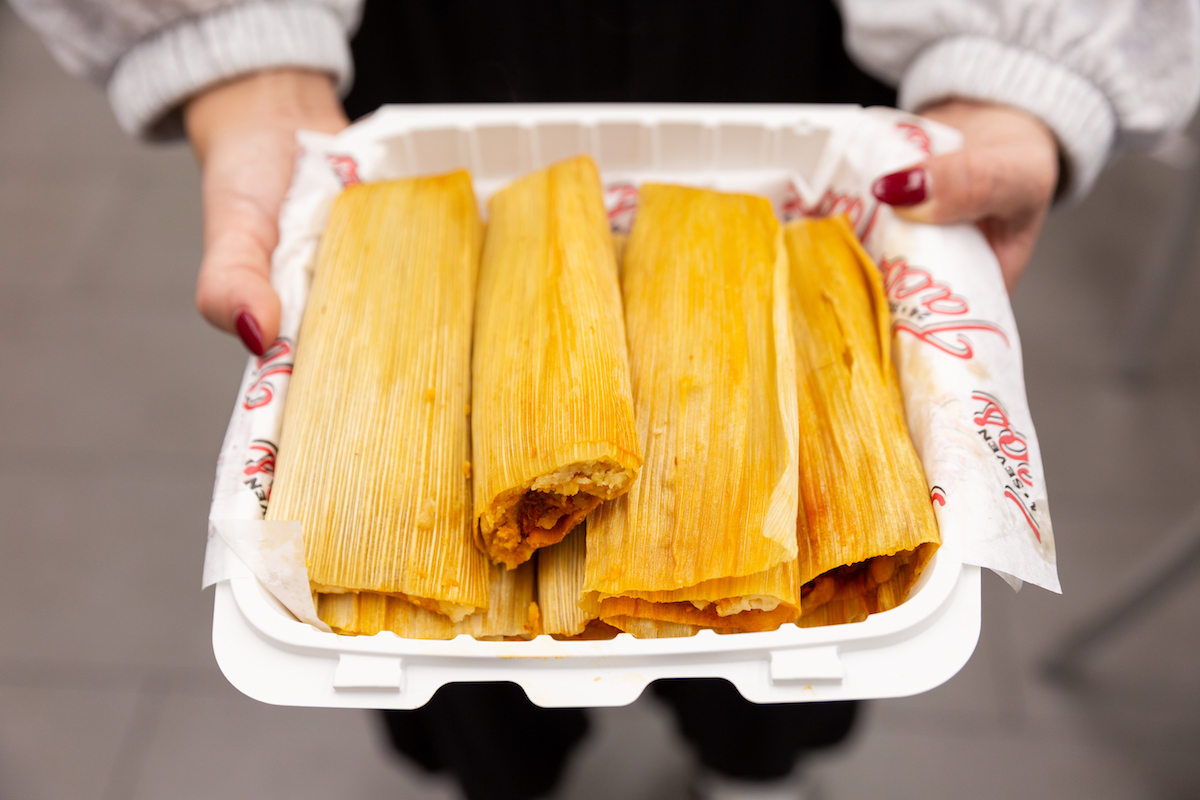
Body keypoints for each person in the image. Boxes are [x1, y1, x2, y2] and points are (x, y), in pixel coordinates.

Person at [9, 2, 1198, 798]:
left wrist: (1022, 67)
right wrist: (238, 49)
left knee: (778, 688)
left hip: (804, 42)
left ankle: (746, 761)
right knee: (484, 716)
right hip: (426, 43)